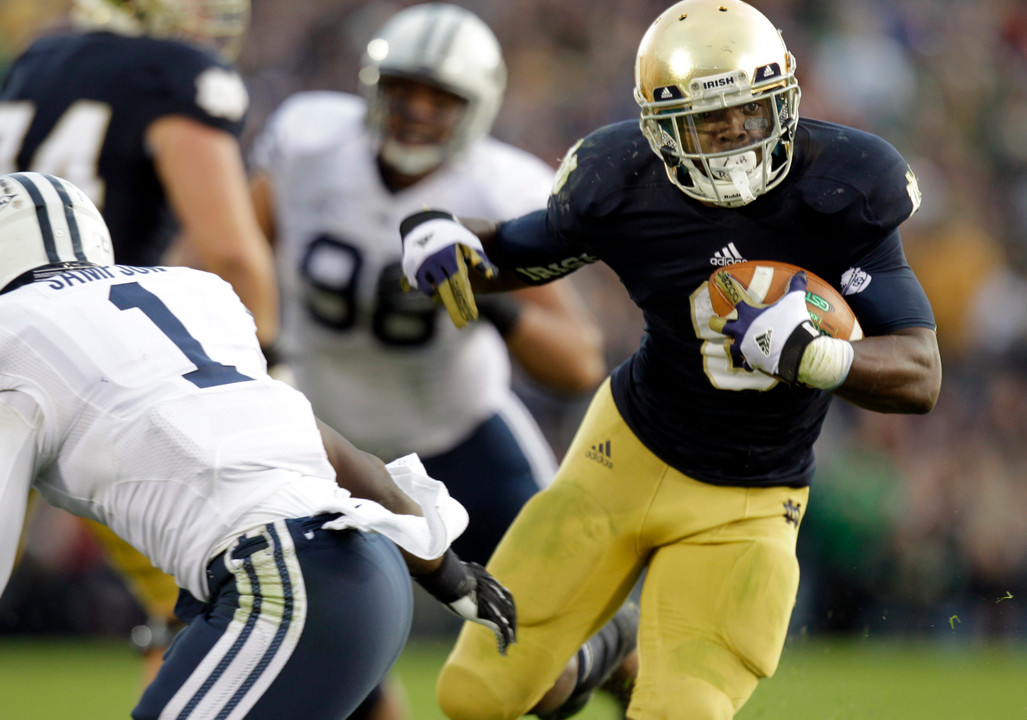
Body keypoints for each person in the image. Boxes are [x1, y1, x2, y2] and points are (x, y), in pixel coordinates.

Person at [398, 1, 943, 718]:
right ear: (659, 130)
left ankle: (609, 647)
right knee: (473, 697)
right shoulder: (620, 181)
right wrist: (436, 235)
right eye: (707, 121)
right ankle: (603, 650)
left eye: (748, 112)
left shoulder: (843, 185)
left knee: (680, 712)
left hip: (749, 497)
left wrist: (818, 358)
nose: (733, 136)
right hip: (622, 454)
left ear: (784, 99)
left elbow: (919, 370)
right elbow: (507, 252)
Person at [0, 171, 516, 720]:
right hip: (369, 570)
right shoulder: (194, 290)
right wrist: (449, 576)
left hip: (280, 581)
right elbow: (330, 451)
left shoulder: (15, 330)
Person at [248, 5, 627, 719]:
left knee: (549, 663)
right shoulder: (309, 141)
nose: (417, 110)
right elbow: (241, 252)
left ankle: (633, 669)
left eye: (440, 97)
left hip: (462, 442)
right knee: (333, 658)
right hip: (325, 449)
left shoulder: (499, 189)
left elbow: (578, 362)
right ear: (374, 87)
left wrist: (484, 294)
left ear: (475, 108)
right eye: (403, 89)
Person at [0, 0, 279, 676]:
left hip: (13, 339)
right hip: (103, 368)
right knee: (222, 604)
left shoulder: (37, 61)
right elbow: (233, 254)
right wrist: (261, 359)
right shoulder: (171, 72)